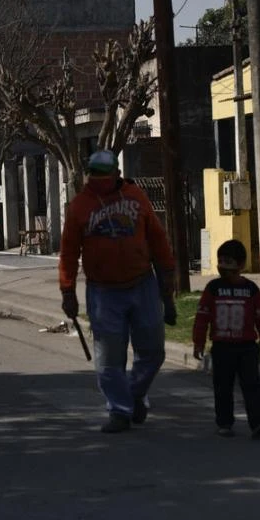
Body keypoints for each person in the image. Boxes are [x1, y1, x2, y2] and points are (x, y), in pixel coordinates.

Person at [59, 150, 176, 433]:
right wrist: (68, 291)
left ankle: (134, 393)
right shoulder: (79, 206)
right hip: (103, 292)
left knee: (153, 351)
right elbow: (69, 253)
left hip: (142, 283)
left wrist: (167, 282)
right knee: (109, 359)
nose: (98, 179)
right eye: (94, 174)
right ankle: (120, 411)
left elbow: (157, 239)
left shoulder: (136, 197)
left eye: (104, 174)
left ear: (116, 174)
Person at [192, 239, 260, 439]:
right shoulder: (213, 288)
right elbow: (202, 317)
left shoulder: (250, 290)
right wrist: (198, 342)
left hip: (247, 348)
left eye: (228, 262)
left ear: (240, 265)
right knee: (222, 386)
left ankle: (258, 424)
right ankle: (224, 422)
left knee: (252, 386)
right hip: (222, 347)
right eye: (220, 261)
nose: (223, 266)